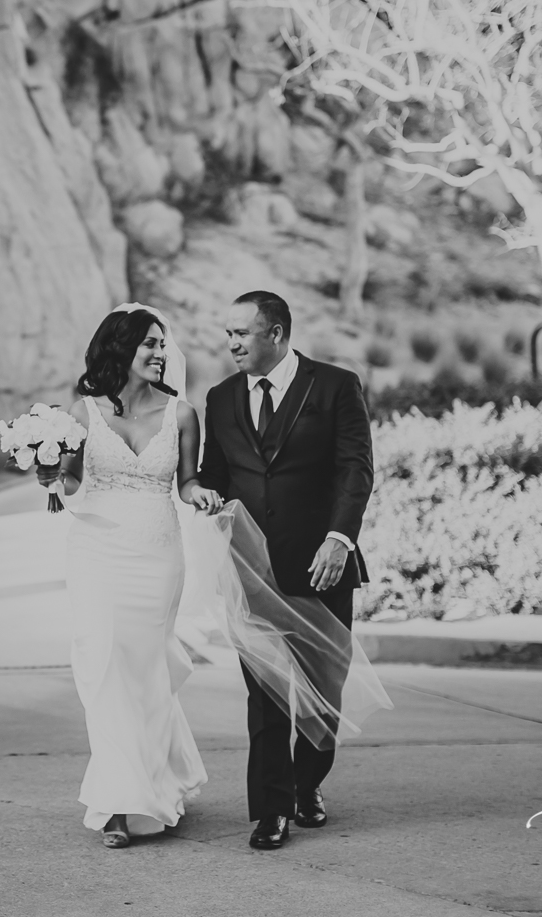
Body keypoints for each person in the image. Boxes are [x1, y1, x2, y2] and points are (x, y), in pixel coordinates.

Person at [196, 290, 380, 851]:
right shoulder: (221, 397)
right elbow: (215, 471)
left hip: (323, 563)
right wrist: (203, 493)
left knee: (324, 688)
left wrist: (339, 539)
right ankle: (272, 808)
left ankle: (308, 784)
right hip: (250, 569)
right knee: (267, 693)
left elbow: (356, 468)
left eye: (242, 333)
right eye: (228, 333)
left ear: (275, 333)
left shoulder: (334, 386)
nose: (231, 343)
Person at [36, 304, 225, 849]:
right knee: (104, 667)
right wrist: (49, 474)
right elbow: (69, 483)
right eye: (149, 343)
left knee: (145, 671)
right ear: (121, 348)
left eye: (163, 343)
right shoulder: (83, 411)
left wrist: (202, 494)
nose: (160, 353)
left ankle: (156, 782)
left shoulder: (182, 414)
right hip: (96, 552)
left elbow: (186, 482)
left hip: (158, 554)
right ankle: (118, 804)